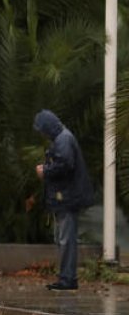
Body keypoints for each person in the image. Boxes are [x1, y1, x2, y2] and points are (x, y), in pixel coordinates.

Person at [33, 109, 95, 291]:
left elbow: (65, 165)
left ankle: (67, 279)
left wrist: (45, 171)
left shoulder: (63, 140)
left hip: (67, 197)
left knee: (66, 239)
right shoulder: (62, 138)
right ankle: (66, 277)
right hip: (65, 196)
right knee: (63, 238)